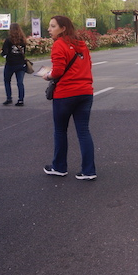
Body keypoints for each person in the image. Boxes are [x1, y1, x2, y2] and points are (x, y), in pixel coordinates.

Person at [42, 15, 97, 181]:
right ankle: (88, 170)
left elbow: (58, 71)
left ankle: (59, 167)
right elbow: (88, 65)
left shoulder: (59, 44)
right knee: (83, 132)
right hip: (85, 92)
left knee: (60, 131)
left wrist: (47, 75)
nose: (49, 29)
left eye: (53, 26)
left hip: (66, 94)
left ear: (63, 28)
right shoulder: (81, 44)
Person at [1, 23, 28, 106]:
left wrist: (2, 54)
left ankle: (9, 98)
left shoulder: (8, 40)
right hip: (20, 64)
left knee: (7, 81)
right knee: (20, 82)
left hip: (10, 64)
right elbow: (24, 52)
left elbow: (4, 52)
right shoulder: (23, 40)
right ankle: (21, 100)